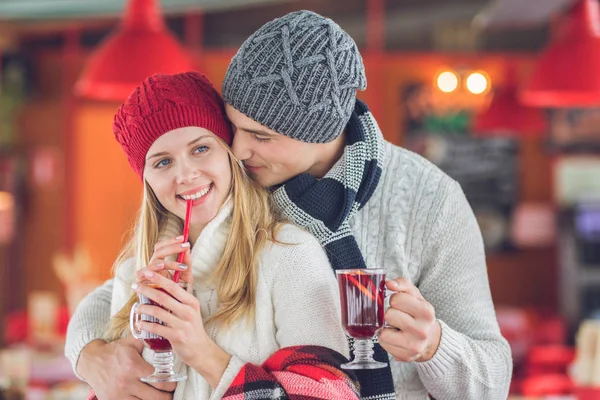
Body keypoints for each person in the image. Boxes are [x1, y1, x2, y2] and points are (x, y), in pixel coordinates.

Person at [66, 10, 513, 400]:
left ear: (322, 134)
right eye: (234, 125)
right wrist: (88, 354)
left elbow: (493, 382)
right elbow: (128, 282)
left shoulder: (428, 200)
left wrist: (433, 345)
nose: (238, 149)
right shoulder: (239, 177)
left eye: (261, 136)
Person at [80, 71, 360, 400]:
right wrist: (146, 357)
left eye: (200, 149)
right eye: (163, 162)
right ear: (147, 182)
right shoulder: (137, 276)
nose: (185, 175)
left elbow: (329, 395)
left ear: (229, 152)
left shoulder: (289, 252)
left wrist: (201, 353)